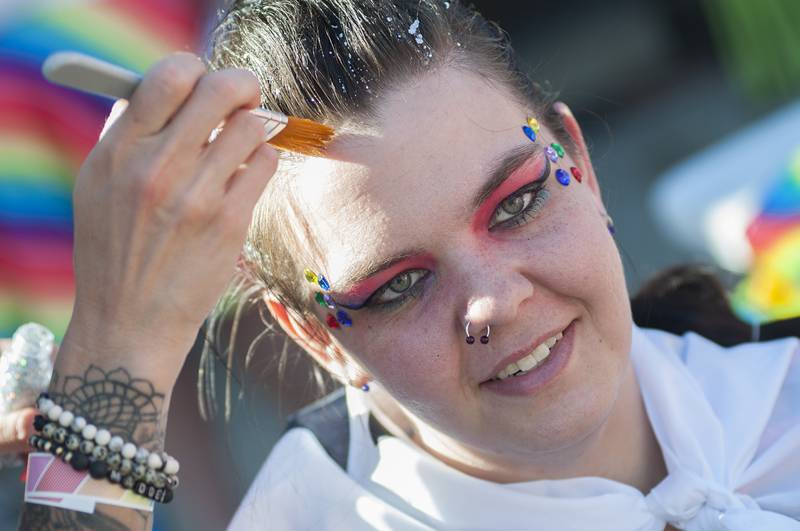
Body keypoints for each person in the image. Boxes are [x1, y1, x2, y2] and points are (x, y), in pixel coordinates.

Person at [15, 0, 800, 529]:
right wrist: (115, 358)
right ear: (317, 337)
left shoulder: (778, 390)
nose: (494, 299)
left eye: (518, 204)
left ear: (580, 165)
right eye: (398, 285)